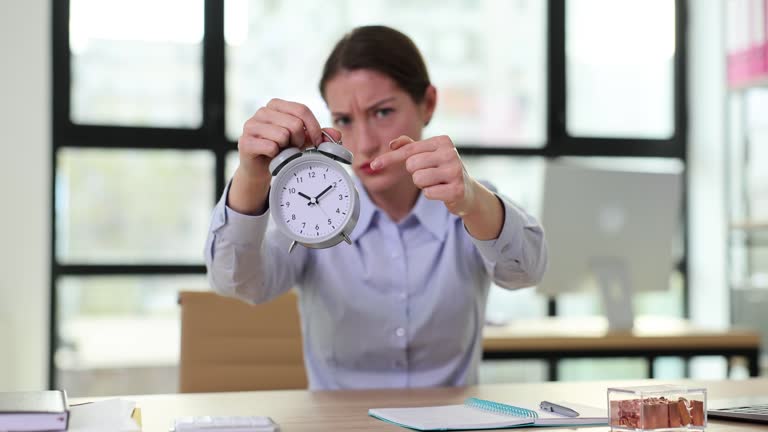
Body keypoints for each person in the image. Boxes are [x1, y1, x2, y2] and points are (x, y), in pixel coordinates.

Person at [204, 25, 547, 390]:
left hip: (450, 423)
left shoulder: (470, 206)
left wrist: (474, 202)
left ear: (427, 104)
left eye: (382, 112)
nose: (365, 143)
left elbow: (525, 271)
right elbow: (237, 282)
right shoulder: (309, 218)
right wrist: (251, 178)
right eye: (344, 120)